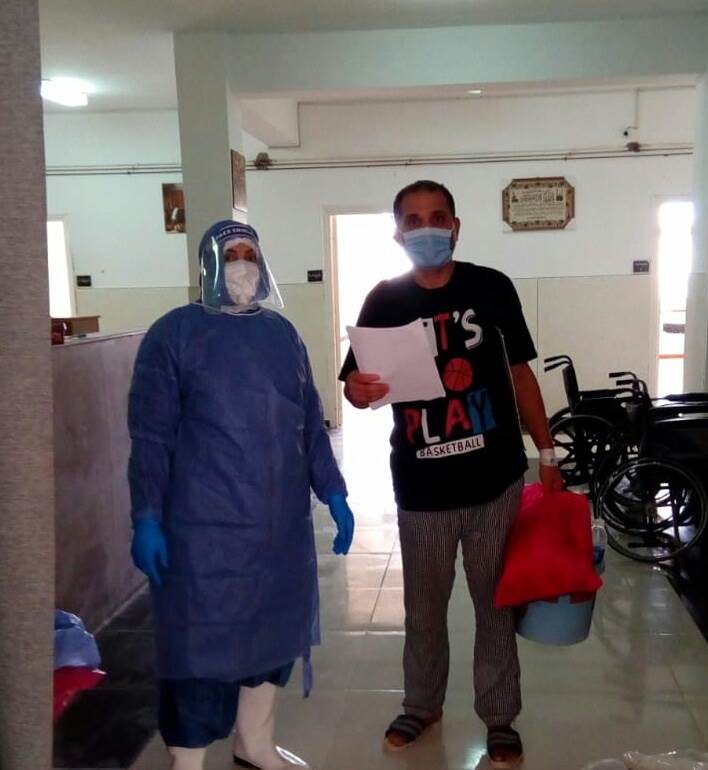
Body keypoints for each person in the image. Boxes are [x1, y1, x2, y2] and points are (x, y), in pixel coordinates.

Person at [340, 180, 563, 769]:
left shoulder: (491, 287)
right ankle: (421, 706)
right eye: (413, 220)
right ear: (398, 234)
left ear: (456, 226)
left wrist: (548, 452)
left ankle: (500, 716)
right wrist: (357, 390)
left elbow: (520, 374)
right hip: (423, 487)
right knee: (424, 610)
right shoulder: (384, 300)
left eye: (437, 217)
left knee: (495, 606)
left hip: (495, 482)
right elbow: (357, 387)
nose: (427, 228)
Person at [128, 220, 355, 770]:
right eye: (230, 254)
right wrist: (148, 517)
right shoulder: (173, 335)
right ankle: (187, 760)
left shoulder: (283, 336)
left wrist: (333, 491)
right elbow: (151, 436)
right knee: (199, 647)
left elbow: (309, 423)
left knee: (270, 636)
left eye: (251, 253)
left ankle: (254, 743)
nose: (243, 264)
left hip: (278, 528)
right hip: (201, 531)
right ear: (207, 264)